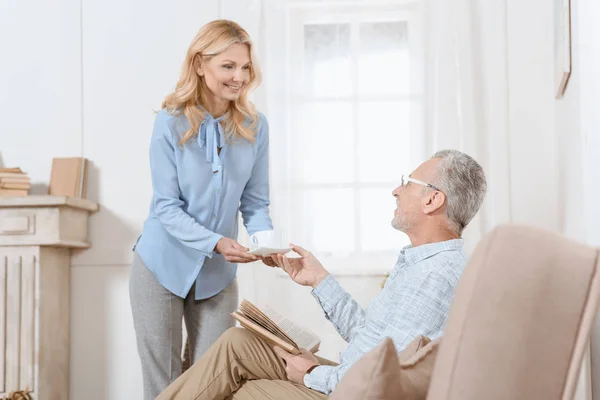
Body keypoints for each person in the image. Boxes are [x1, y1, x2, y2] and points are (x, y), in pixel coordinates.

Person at [156, 150, 488, 400]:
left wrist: (313, 373)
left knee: (243, 390)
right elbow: (369, 337)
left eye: (406, 183)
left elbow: (383, 381)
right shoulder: (420, 263)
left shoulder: (433, 277)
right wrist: (319, 280)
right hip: (347, 378)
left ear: (432, 199)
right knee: (237, 342)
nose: (395, 191)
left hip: (349, 393)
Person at [129, 20, 273, 399]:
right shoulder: (170, 121)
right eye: (228, 66)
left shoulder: (255, 127)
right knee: (164, 384)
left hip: (217, 274)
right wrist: (218, 242)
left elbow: (255, 201)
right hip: (161, 264)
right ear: (199, 65)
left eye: (245, 67)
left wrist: (266, 243)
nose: (239, 76)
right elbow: (166, 207)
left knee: (213, 381)